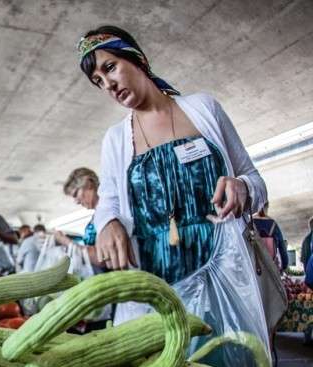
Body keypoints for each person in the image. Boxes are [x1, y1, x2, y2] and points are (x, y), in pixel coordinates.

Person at [78, 26, 266, 281]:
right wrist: (107, 223)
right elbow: (108, 201)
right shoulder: (116, 139)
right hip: (158, 288)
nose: (108, 85)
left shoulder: (204, 109)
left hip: (228, 274)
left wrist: (244, 187)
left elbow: (255, 181)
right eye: (98, 81)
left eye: (110, 67)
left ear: (137, 58)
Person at [54, 167, 105, 267]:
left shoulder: (107, 214)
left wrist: (65, 241)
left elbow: (101, 258)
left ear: (89, 184)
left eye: (76, 194)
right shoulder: (98, 215)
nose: (76, 202)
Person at [252, 202, 288, 271]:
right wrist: (284, 265)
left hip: (254, 263)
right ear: (267, 207)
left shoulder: (250, 222)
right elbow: (282, 246)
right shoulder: (273, 224)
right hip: (269, 263)